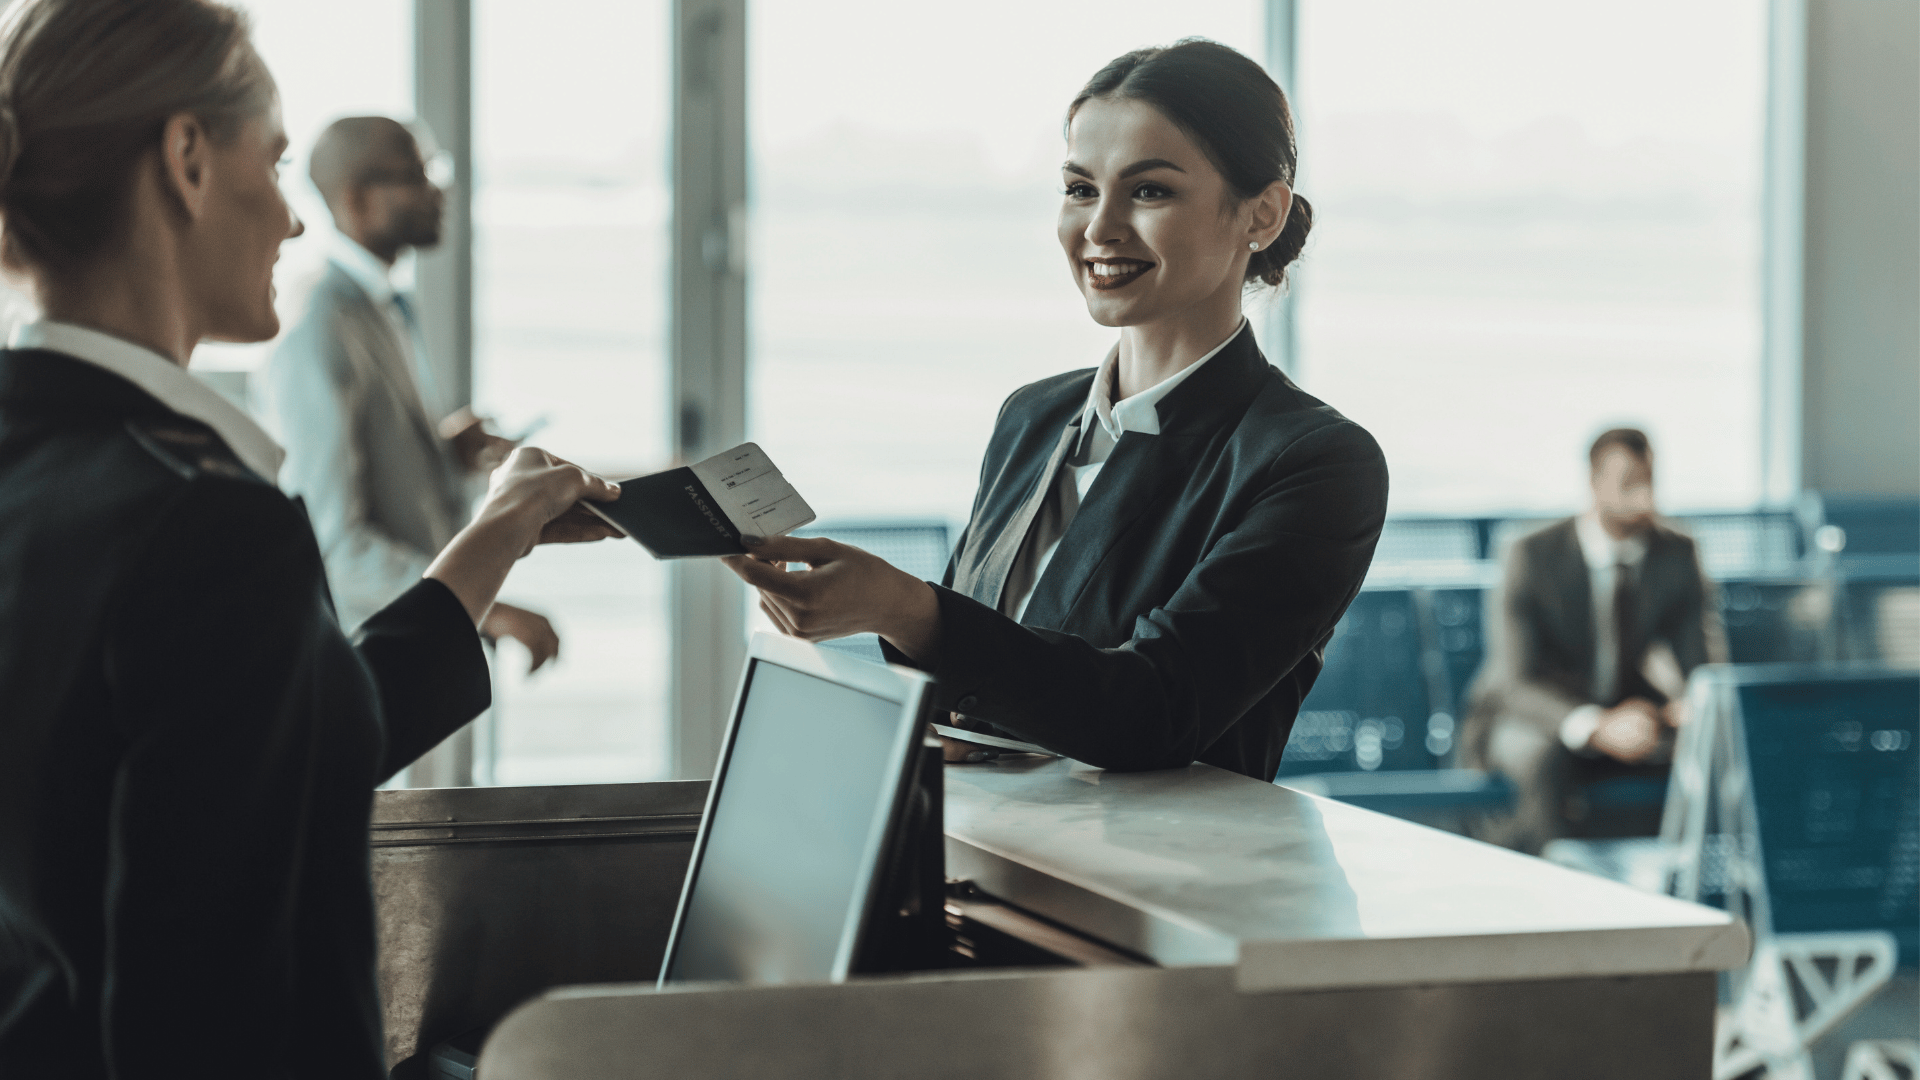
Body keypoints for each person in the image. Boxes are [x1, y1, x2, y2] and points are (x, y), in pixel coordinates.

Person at [0, 1, 621, 1074]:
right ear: (186, 159)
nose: (294, 221)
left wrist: (491, 545)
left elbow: (280, 755)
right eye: (278, 163)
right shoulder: (202, 522)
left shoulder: (46, 466)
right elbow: (224, 1015)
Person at [726, 40, 1388, 781]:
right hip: (968, 848)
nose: (1099, 228)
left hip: (1146, 882)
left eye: (1149, 191)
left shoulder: (1315, 462)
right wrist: (880, 625)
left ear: (1260, 214)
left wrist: (905, 608)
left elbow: (1155, 710)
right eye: (1079, 189)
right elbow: (972, 674)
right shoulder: (1033, 417)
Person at [260, 115, 558, 665]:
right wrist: (488, 608)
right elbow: (334, 544)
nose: (437, 189)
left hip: (420, 648)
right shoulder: (317, 330)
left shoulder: (382, 306)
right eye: (415, 174)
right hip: (371, 663)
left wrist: (444, 456)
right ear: (356, 197)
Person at [1460, 429, 1726, 854]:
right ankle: (1547, 891)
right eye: (1628, 484)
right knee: (1540, 757)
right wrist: (1598, 727)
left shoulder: (1675, 554)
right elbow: (1514, 682)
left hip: (1623, 710)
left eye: (1649, 483)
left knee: (1717, 747)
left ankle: (1685, 891)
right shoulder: (1530, 554)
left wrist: (1686, 709)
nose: (1642, 498)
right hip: (1530, 714)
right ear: (1594, 483)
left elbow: (1703, 672)